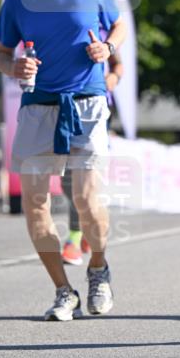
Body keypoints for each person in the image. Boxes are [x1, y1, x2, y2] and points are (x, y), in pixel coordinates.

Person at [0, 0, 126, 320]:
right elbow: (2, 54)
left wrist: (108, 47)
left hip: (86, 102)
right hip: (38, 106)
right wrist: (14, 67)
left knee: (85, 199)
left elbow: (118, 26)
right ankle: (63, 291)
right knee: (35, 204)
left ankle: (98, 269)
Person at [61, 47, 123, 265]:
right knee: (68, 181)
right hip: (63, 103)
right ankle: (88, 227)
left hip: (96, 107)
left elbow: (117, 65)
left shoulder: (103, 30)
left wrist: (113, 78)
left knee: (85, 180)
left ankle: (75, 237)